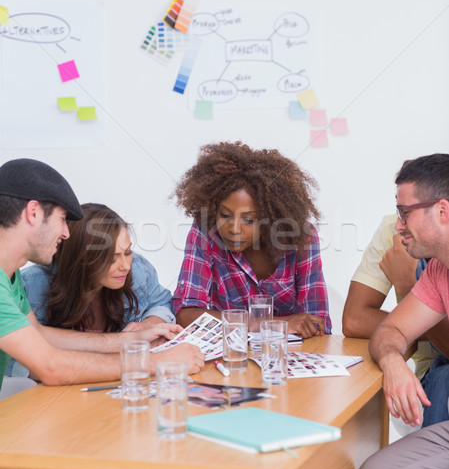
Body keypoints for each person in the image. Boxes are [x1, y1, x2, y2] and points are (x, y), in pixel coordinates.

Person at [0, 158, 204, 387]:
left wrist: (130, 340)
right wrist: (156, 362)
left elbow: (39, 334)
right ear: (34, 212)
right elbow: (50, 366)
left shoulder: (10, 276)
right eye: (62, 219)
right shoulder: (27, 282)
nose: (66, 233)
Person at [355, 153, 449, 469]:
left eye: (405, 212)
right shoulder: (438, 271)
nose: (398, 225)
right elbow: (391, 328)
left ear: (442, 211)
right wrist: (394, 362)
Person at [171, 141, 331, 337]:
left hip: (286, 359)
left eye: (248, 219)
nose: (234, 229)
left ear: (272, 218)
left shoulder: (302, 240)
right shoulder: (205, 234)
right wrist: (270, 324)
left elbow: (316, 325)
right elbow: (186, 316)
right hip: (226, 358)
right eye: (225, 215)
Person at [6, 202, 176, 377]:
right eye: (111, 259)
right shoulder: (32, 285)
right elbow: (22, 365)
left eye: (127, 252)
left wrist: (145, 327)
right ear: (81, 260)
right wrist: (134, 356)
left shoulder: (138, 269)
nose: (125, 266)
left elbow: (162, 303)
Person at [342, 213, 449, 427]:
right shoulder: (395, 230)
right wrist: (410, 325)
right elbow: (354, 319)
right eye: (402, 210)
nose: (401, 223)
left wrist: (408, 285)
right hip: (430, 373)